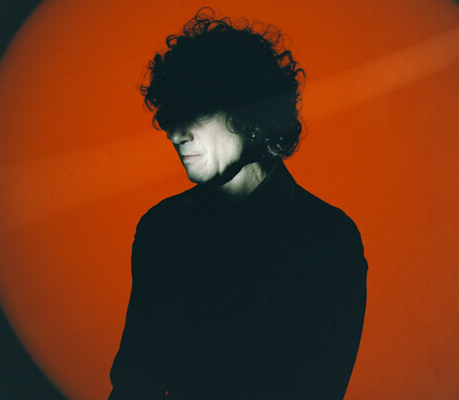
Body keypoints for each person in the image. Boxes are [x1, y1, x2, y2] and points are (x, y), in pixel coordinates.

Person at [110, 9, 368, 399]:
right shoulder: (162, 228)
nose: (176, 134)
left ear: (253, 112)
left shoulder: (326, 238)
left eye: (197, 111)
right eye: (171, 115)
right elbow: (134, 383)